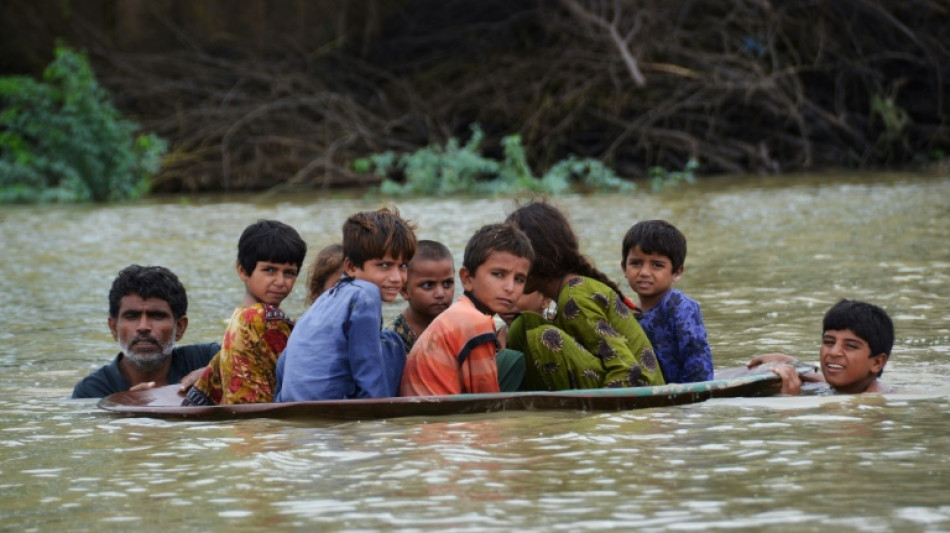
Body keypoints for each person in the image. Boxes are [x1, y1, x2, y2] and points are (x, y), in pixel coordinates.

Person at [504, 200, 666, 390]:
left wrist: (598, 420)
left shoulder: (576, 297)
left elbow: (626, 370)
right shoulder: (567, 294)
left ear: (538, 257)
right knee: (522, 327)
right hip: (615, 380)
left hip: (639, 390)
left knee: (544, 338)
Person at [275, 207, 417, 401]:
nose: (397, 277)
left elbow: (284, 362)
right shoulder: (367, 293)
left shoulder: (323, 301)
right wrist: (381, 421)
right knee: (392, 342)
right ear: (350, 267)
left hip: (292, 403)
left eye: (403, 266)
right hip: (332, 406)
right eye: (384, 266)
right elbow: (368, 369)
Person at [400, 223, 534, 396]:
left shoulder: (459, 313)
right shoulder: (475, 322)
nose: (510, 287)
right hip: (437, 419)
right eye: (498, 274)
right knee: (517, 362)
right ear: (467, 278)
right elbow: (488, 403)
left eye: (519, 279)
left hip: (424, 414)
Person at [183, 220, 307, 405]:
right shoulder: (260, 317)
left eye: (289, 273)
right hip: (261, 424)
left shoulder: (239, 317)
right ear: (242, 271)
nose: (281, 281)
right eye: (270, 270)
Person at [71, 265, 219, 399]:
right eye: (132, 316)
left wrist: (222, 379)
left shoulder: (210, 360)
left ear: (179, 327)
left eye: (157, 316)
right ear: (114, 328)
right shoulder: (92, 392)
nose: (143, 327)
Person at [621, 219, 713, 383]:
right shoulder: (625, 313)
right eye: (636, 263)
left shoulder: (680, 306)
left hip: (683, 393)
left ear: (677, 273)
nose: (644, 272)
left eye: (657, 265)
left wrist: (688, 400)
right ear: (624, 268)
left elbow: (698, 362)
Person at [747, 299, 894, 395]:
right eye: (829, 342)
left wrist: (789, 402)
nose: (834, 352)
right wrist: (790, 362)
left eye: (850, 346)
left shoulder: (871, 406)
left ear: (877, 363)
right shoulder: (848, 386)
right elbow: (821, 379)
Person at [386, 239, 456, 353]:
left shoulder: (460, 327)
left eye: (447, 283)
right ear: (404, 291)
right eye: (428, 285)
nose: (440, 294)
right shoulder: (393, 341)